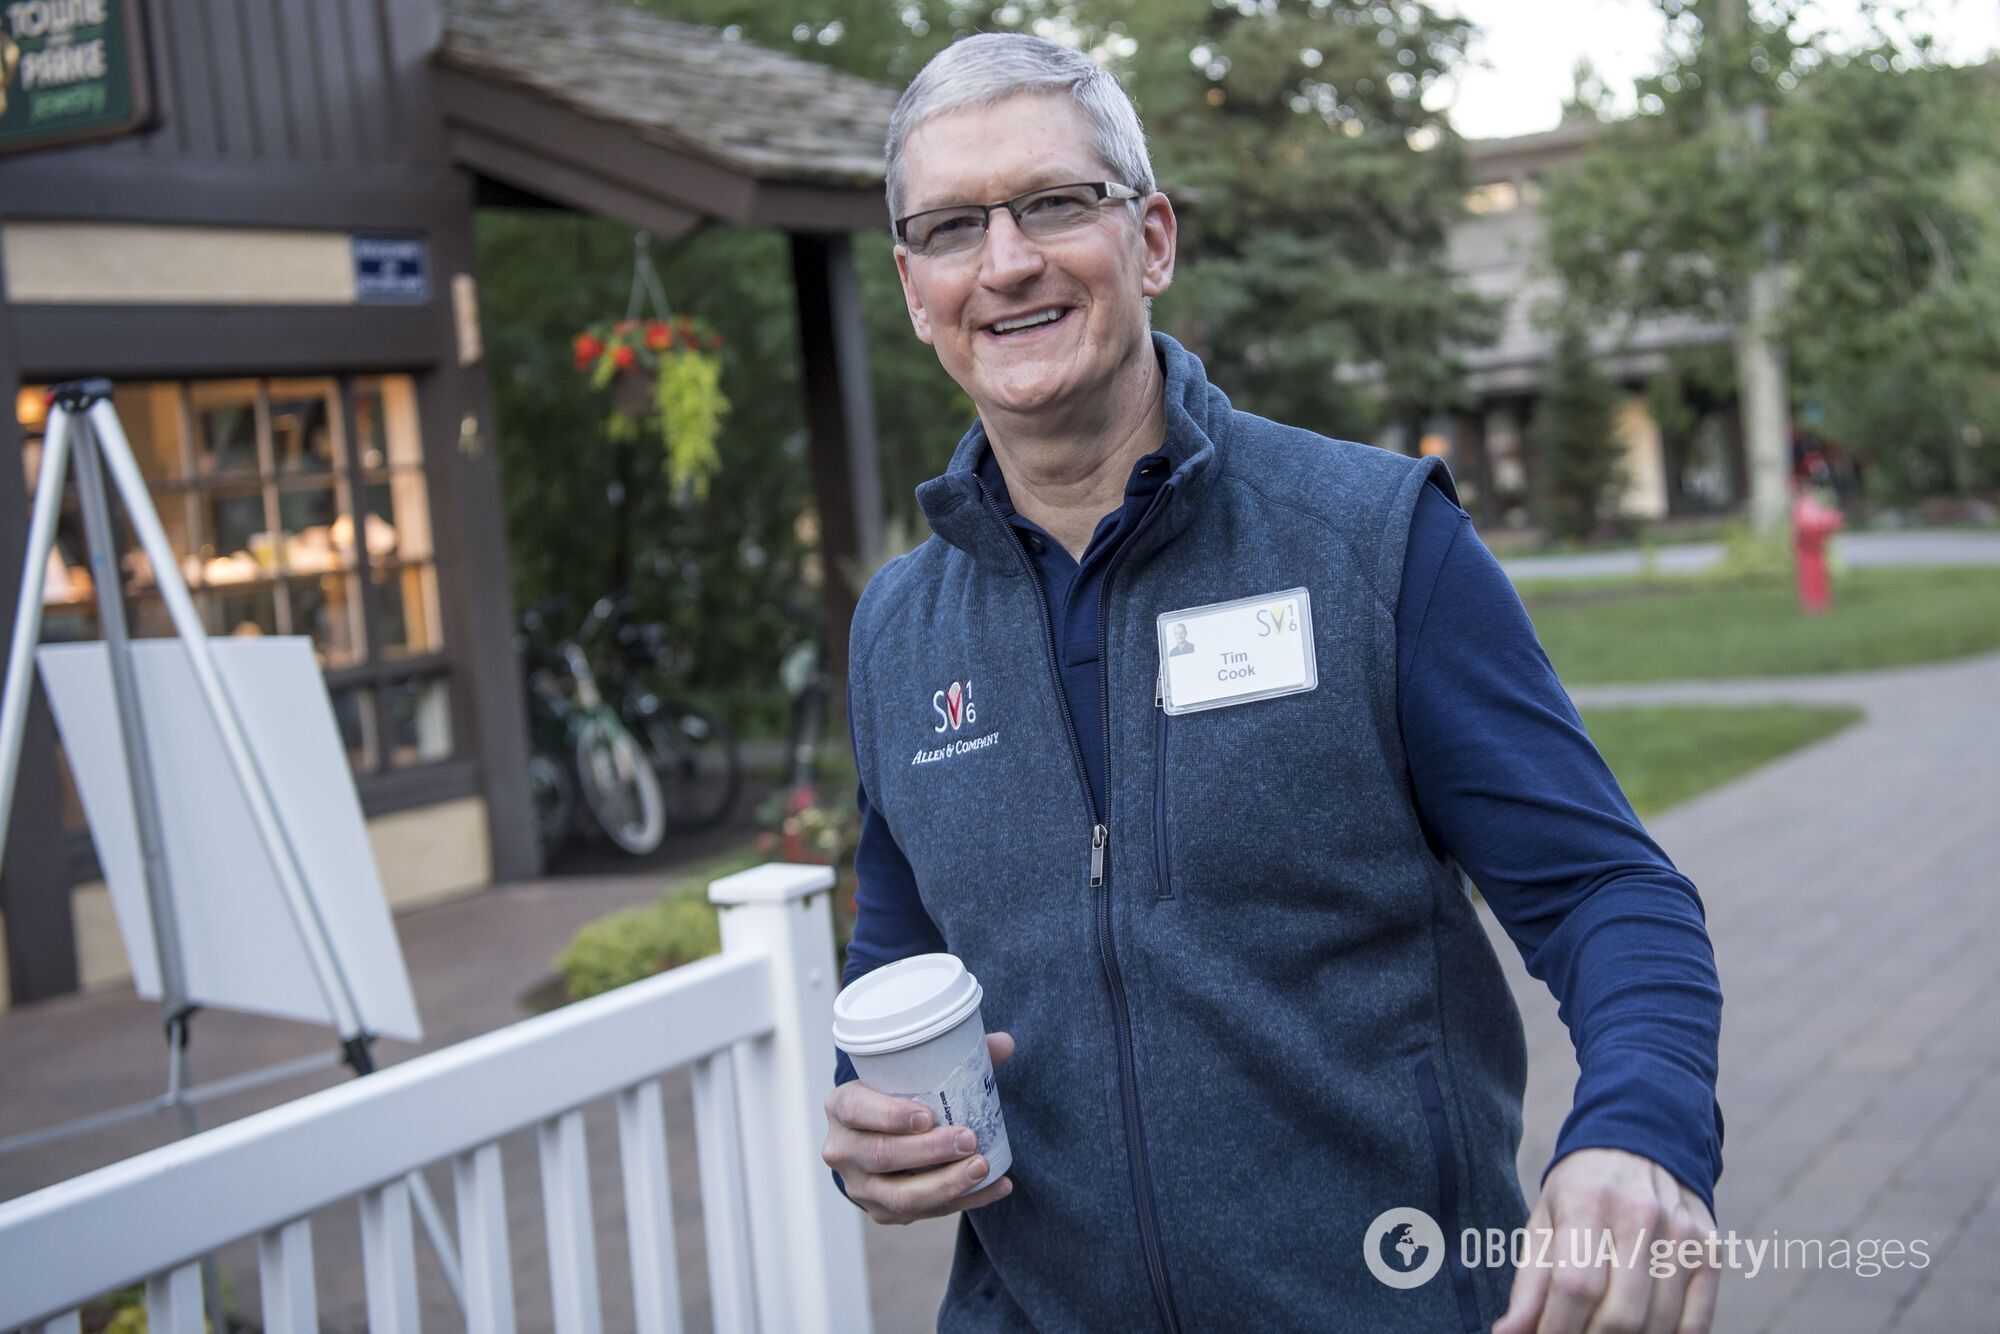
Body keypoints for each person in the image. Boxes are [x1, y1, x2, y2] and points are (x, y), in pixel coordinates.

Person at [821, 32, 1723, 1334]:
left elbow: (1602, 889)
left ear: (1152, 238)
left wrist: (1641, 1128)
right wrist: (869, 1118)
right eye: (954, 226)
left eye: (1055, 203)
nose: (1006, 260)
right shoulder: (899, 632)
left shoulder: (1372, 539)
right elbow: (898, 960)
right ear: (915, 287)